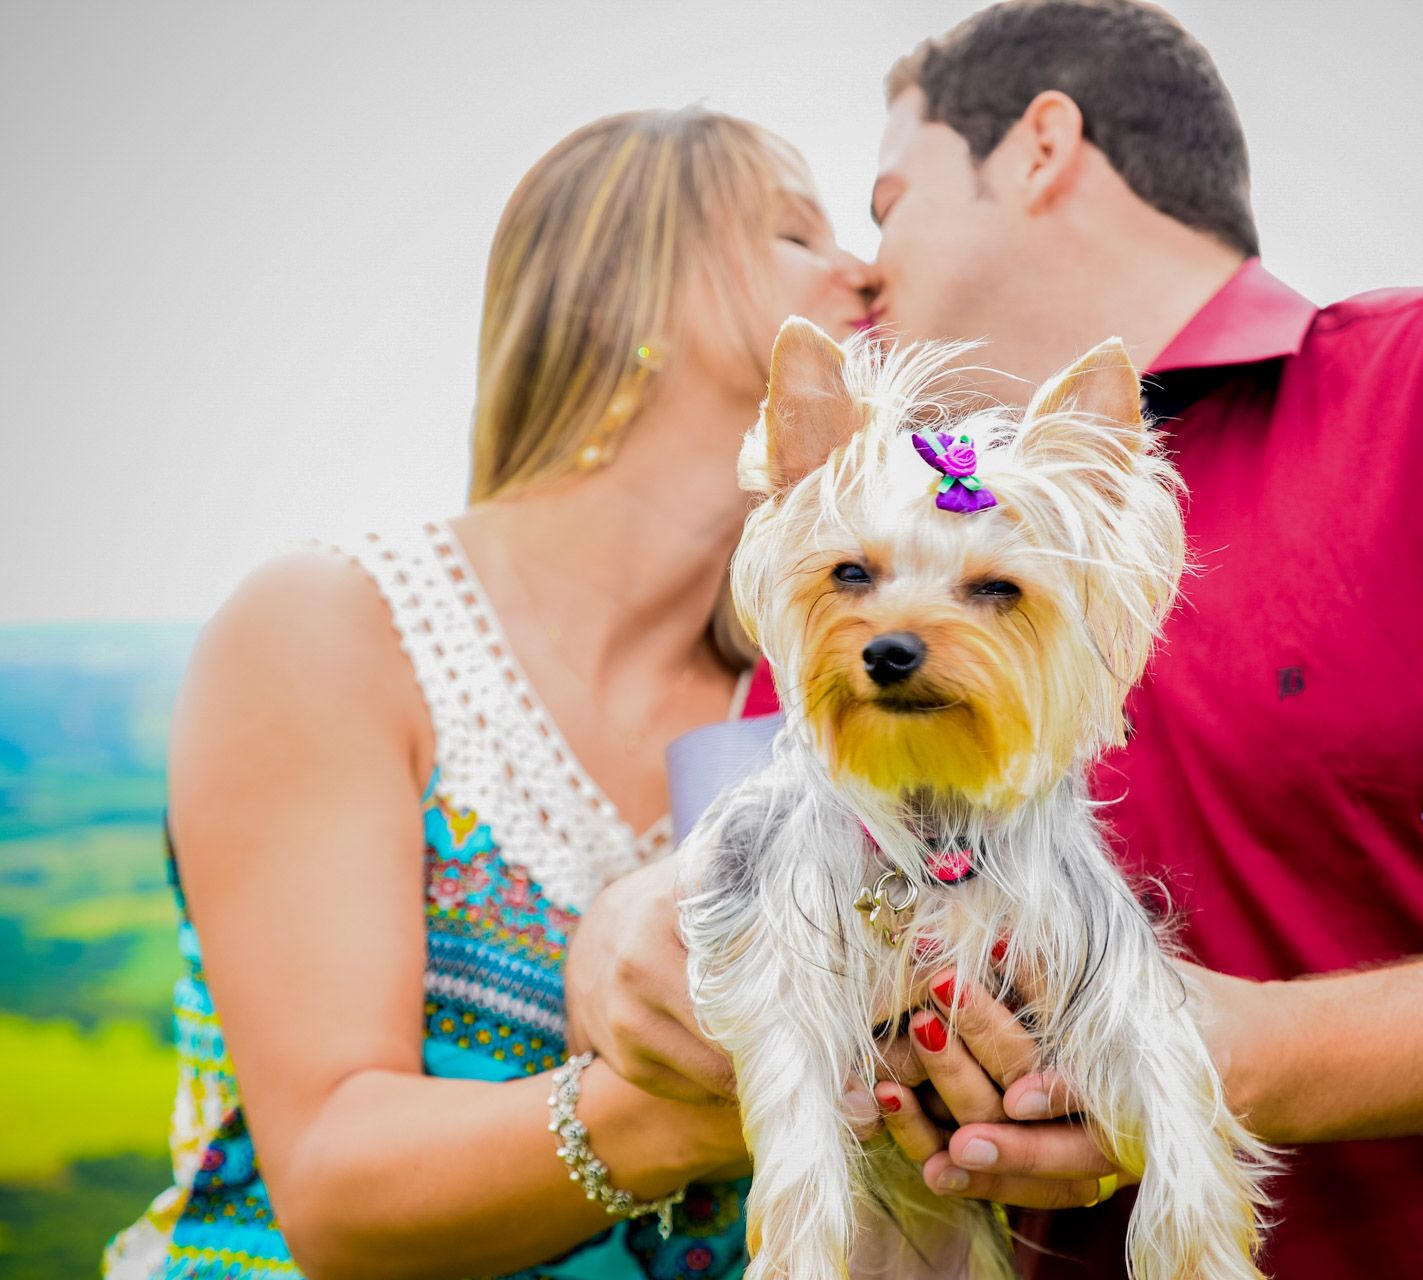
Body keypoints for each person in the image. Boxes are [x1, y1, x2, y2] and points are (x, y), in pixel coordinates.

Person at [566, 3, 1423, 1277]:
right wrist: (632, 934)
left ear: (1042, 146)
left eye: (886, 203)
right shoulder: (853, 586)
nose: (857, 269)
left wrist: (1234, 1052)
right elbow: (759, 875)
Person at [104, 107, 875, 1279]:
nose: (863, 269)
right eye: (793, 232)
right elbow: (333, 1186)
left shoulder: (810, 700)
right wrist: (722, 1101)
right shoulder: (334, 626)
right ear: (632, 287)